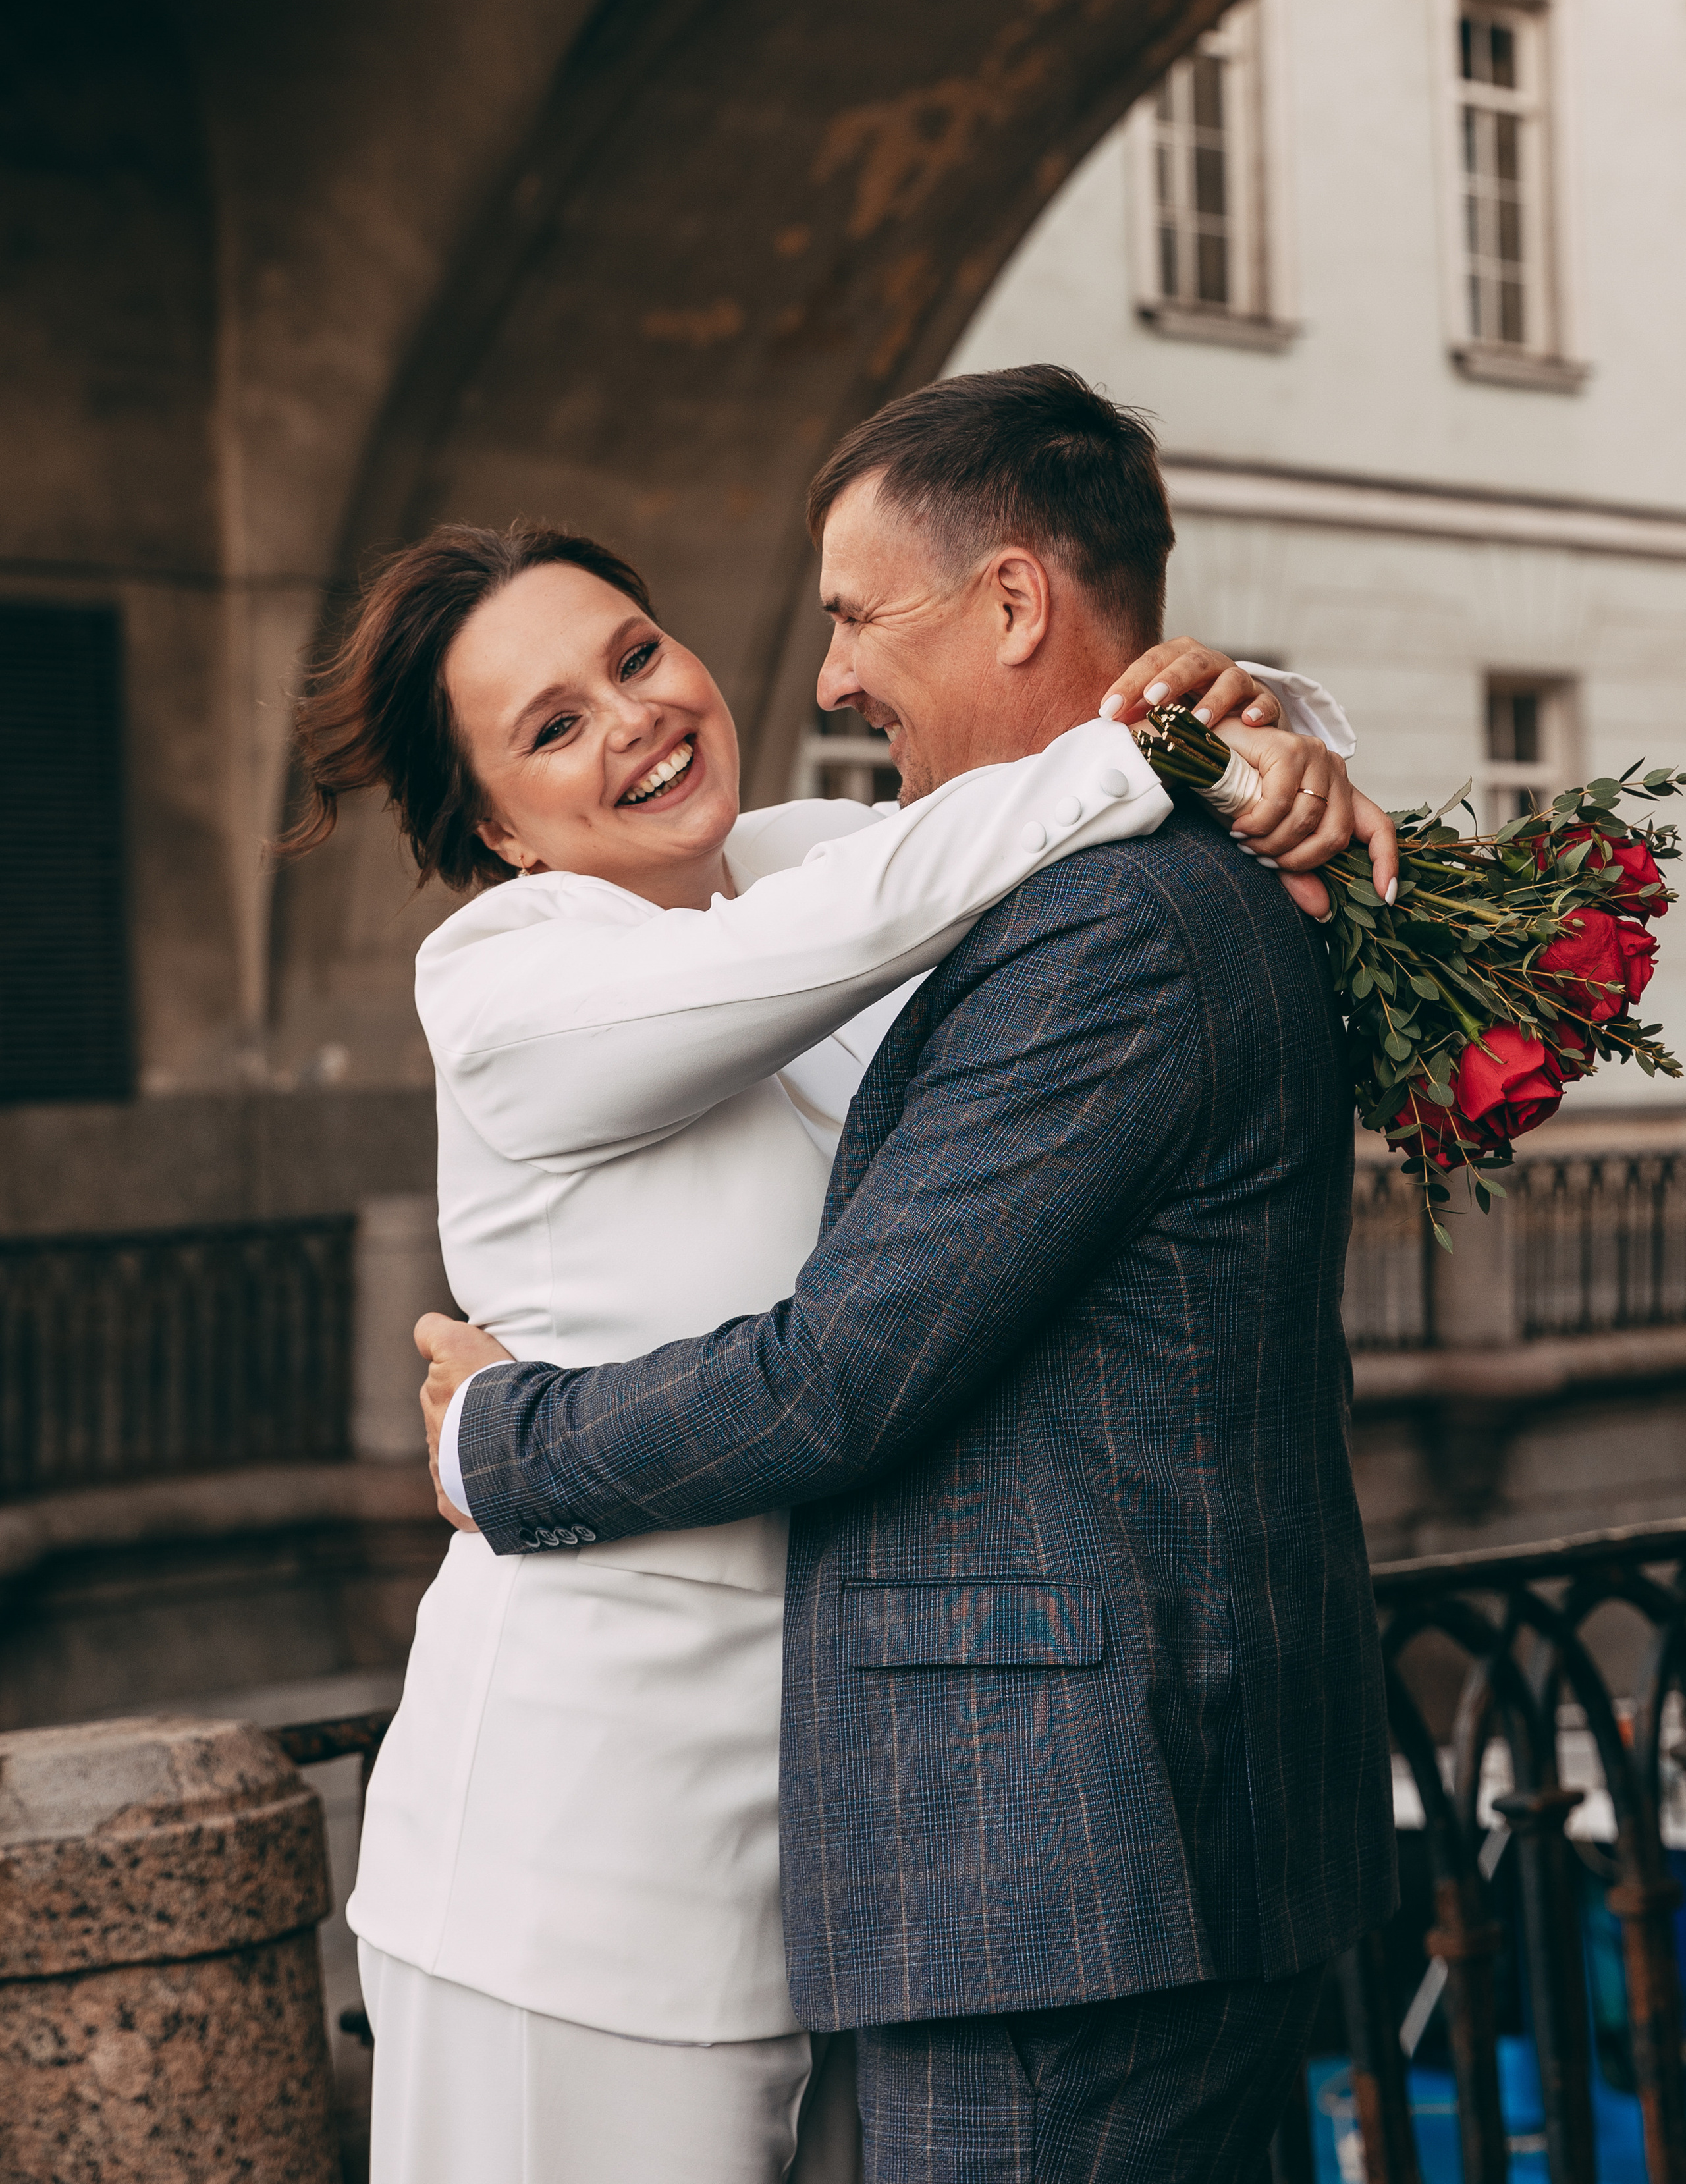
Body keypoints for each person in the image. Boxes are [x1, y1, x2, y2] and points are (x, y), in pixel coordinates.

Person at [417, 365, 1400, 2183]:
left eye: (637, 654)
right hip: (588, 1818)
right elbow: (934, 883)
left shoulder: (807, 872)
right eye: (549, 729)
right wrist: (1155, 745)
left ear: (1007, 602)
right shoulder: (511, 981)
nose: (646, 715)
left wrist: (1258, 725)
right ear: (493, 825)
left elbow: (1007, 859)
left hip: (872, 1824)